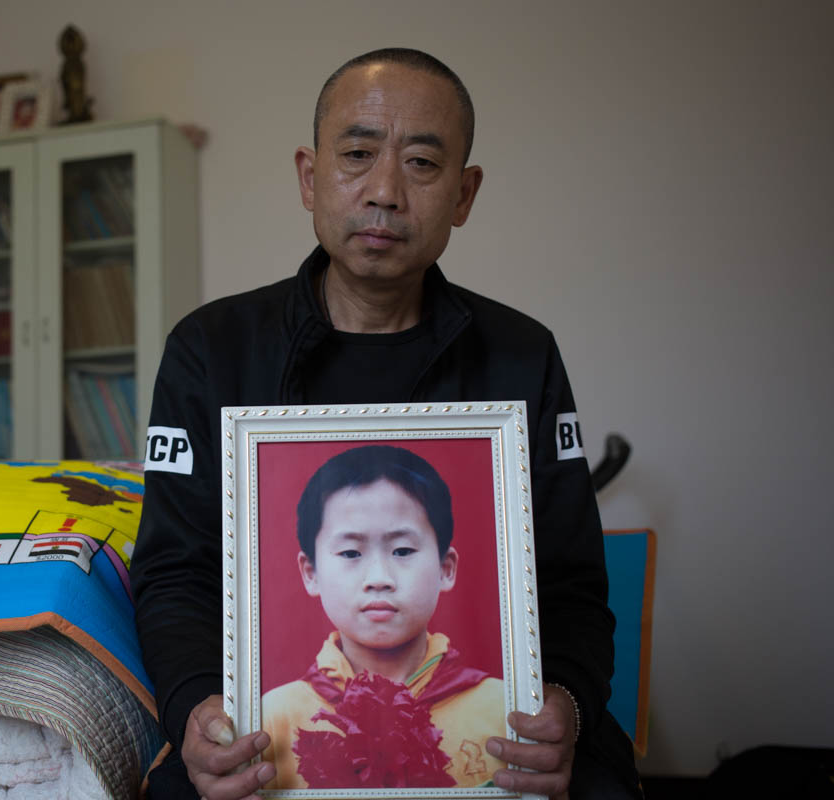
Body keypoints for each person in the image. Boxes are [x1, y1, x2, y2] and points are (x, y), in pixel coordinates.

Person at [130, 47, 641, 800]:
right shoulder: (211, 350)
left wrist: (563, 701)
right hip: (265, 737)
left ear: (464, 194)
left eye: (422, 164)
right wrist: (197, 708)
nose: (385, 192)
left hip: (496, 739)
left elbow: (569, 582)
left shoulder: (521, 354)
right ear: (310, 177)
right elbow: (175, 574)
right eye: (357, 155)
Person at [260, 445, 506, 790]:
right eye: (350, 552)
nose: (378, 578)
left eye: (402, 550)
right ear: (311, 573)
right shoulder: (271, 718)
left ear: (446, 568)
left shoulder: (504, 709)